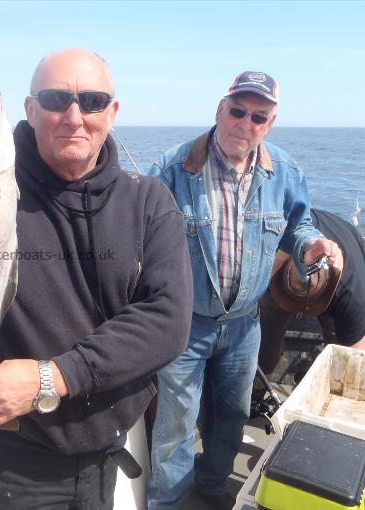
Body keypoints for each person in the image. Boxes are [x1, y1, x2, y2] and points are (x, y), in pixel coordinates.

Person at [0, 48, 193, 509]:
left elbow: (168, 321)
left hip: (111, 448)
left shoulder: (149, 202)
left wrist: (48, 378)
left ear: (112, 112)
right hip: (17, 460)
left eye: (92, 101)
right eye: (56, 99)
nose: (74, 116)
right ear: (30, 111)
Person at [145, 71, 343, 510]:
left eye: (259, 116)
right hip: (184, 325)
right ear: (220, 110)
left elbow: (299, 225)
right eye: (237, 111)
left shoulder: (286, 172)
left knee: (232, 416)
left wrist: (312, 245)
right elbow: (139, 241)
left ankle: (214, 487)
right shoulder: (170, 169)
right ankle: (169, 503)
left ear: (269, 124)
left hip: (243, 326)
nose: (245, 123)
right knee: (175, 426)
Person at [258, 208, 365, 379]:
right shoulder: (269, 242)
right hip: (284, 265)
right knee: (265, 338)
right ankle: (259, 381)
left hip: (347, 240)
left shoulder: (351, 296)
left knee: (340, 354)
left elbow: (357, 354)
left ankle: (331, 374)